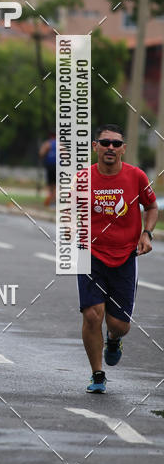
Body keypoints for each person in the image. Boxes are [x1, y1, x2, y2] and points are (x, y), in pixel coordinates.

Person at [78, 124, 157, 394]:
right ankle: (97, 374)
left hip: (125, 256)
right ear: (95, 146)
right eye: (105, 142)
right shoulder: (82, 178)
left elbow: (152, 206)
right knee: (91, 315)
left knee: (118, 324)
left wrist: (146, 234)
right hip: (89, 254)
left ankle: (114, 339)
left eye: (115, 144)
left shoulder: (135, 176)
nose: (110, 147)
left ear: (123, 148)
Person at [39, 130, 57, 207]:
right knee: (56, 185)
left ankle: (51, 201)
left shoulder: (47, 144)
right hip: (57, 167)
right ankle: (54, 201)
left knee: (50, 185)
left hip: (50, 166)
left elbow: (41, 154)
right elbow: (65, 156)